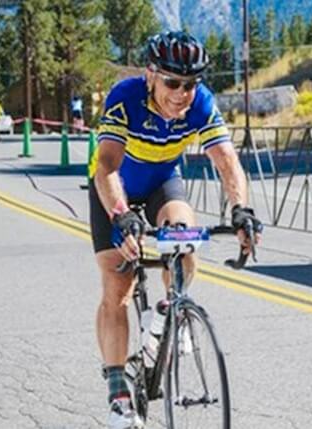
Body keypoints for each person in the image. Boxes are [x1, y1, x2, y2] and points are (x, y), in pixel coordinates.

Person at [88, 31, 262, 429]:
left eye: (190, 84)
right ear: (151, 75)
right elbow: (108, 166)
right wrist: (120, 215)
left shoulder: (201, 103)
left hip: (162, 182)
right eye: (172, 82)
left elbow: (227, 161)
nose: (182, 93)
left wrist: (241, 208)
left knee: (185, 237)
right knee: (118, 284)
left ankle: (170, 311)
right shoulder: (125, 97)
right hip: (113, 186)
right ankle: (117, 390)